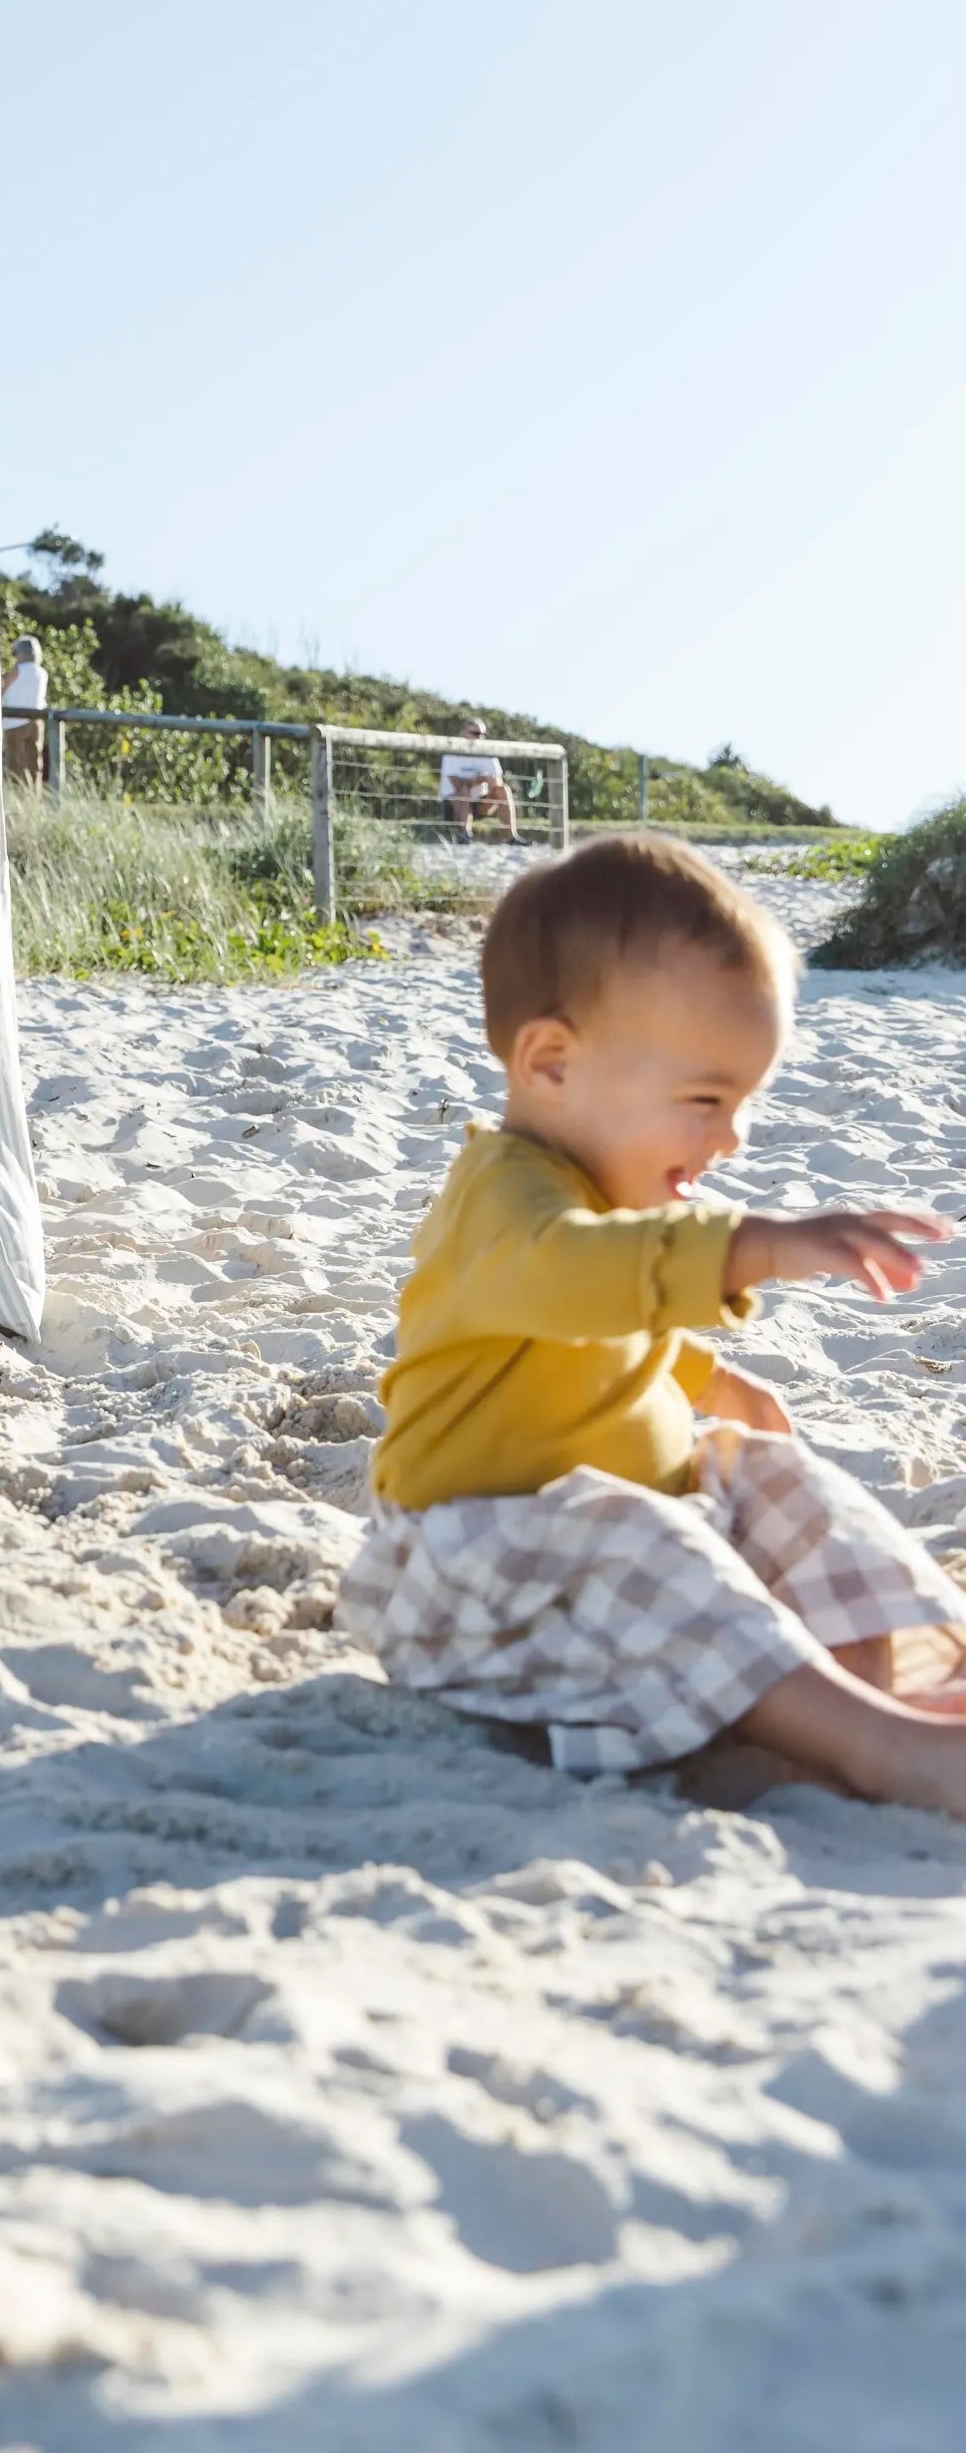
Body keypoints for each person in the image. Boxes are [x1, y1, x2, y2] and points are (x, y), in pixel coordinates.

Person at [338, 833, 966, 1814]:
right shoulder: (502, 1201)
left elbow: (601, 1331)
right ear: (548, 1061)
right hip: (467, 1580)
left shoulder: (599, 1191)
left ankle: (871, 1700)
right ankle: (874, 1746)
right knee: (631, 1529)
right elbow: (573, 1281)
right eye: (704, 1099)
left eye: (743, 1102)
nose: (730, 1136)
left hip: (599, 1558)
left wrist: (703, 1382)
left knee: (775, 1474)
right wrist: (753, 1247)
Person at [438, 718, 518, 841]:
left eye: (482, 734)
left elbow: (496, 782)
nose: (479, 737)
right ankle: (464, 835)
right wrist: (481, 779)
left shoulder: (488, 753)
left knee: (503, 790)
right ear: (463, 733)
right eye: (475, 733)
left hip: (479, 803)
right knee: (463, 790)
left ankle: (510, 837)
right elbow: (457, 784)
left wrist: (490, 782)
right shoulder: (452, 752)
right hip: (453, 804)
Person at [2, 633, 49, 783]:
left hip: (14, 722)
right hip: (36, 721)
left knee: (15, 764)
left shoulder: (17, 671)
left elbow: (3, 689)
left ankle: (19, 798)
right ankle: (35, 796)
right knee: (34, 762)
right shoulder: (42, 673)